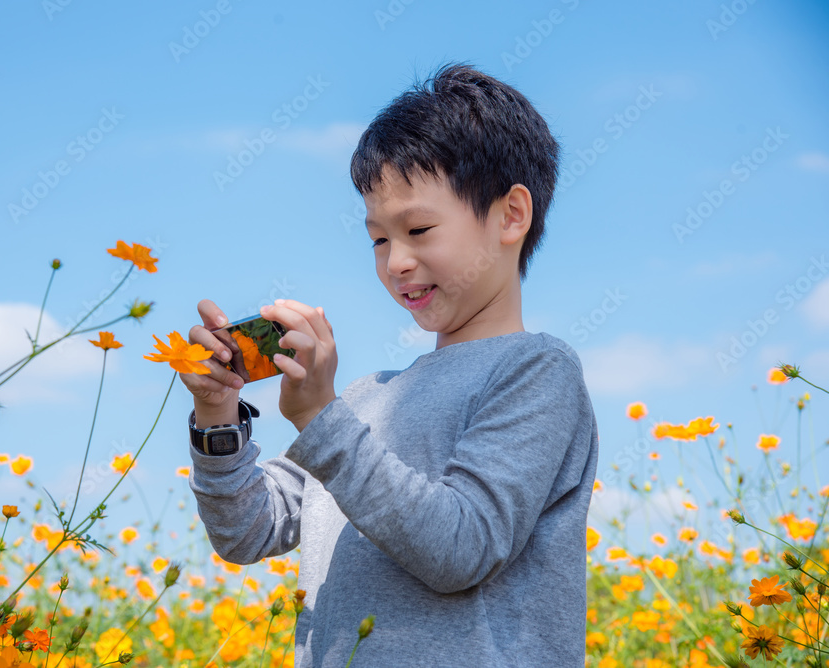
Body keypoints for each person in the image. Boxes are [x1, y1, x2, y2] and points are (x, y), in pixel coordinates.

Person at [179, 62, 599, 667]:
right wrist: (216, 412)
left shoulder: (536, 371)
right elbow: (248, 532)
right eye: (378, 238)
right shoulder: (364, 398)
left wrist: (321, 419)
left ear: (511, 216)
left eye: (419, 228)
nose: (396, 261)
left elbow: (461, 549)